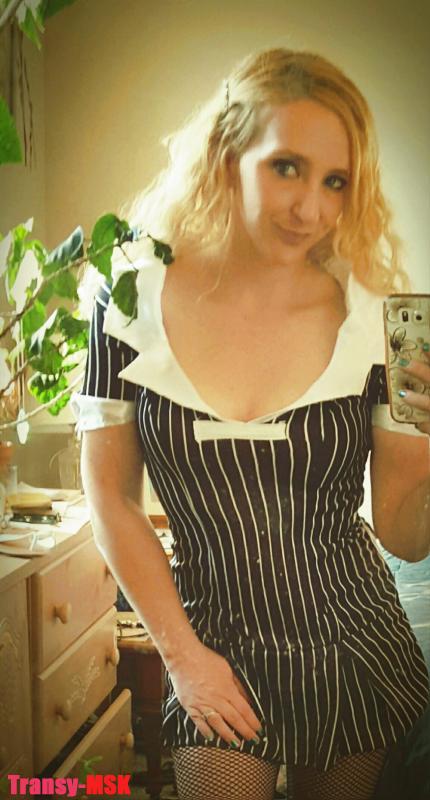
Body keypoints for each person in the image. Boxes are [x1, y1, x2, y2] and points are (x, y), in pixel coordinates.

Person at [73, 49, 430, 800]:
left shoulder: (382, 319)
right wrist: (183, 658)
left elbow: (404, 535)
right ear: (227, 152)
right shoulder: (128, 294)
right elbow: (109, 496)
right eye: (287, 167)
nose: (311, 209)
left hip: (353, 644)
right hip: (211, 639)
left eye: (336, 182)